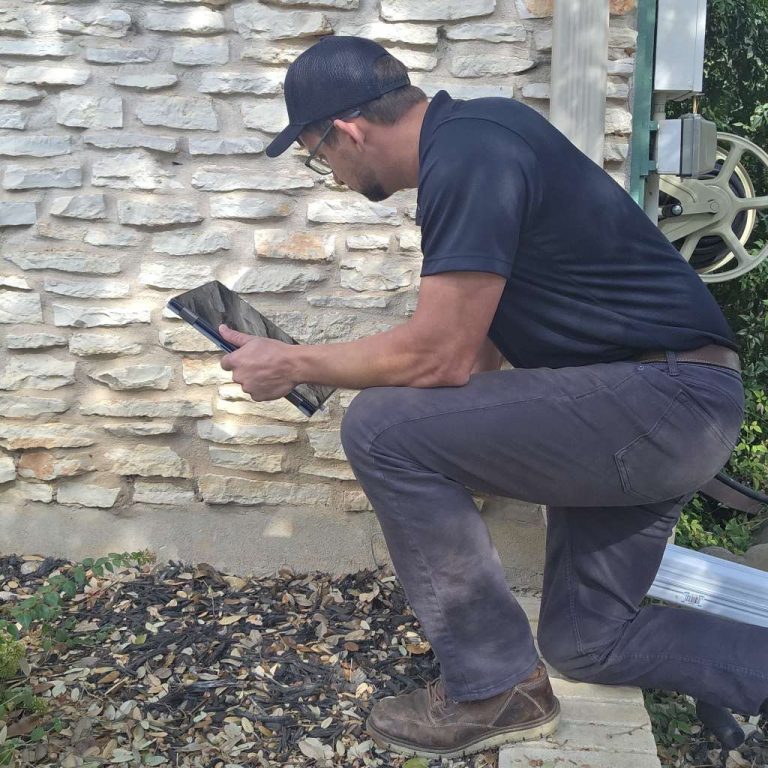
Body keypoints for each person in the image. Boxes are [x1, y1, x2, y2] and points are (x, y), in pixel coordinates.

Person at [218, 36, 768, 761]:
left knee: (382, 429)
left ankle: (490, 688)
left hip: (660, 401)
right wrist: (338, 372)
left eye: (318, 156)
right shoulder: (478, 140)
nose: (331, 172)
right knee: (588, 642)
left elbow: (439, 356)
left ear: (344, 132)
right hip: (657, 406)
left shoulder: (468, 152)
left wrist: (294, 360)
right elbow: (471, 354)